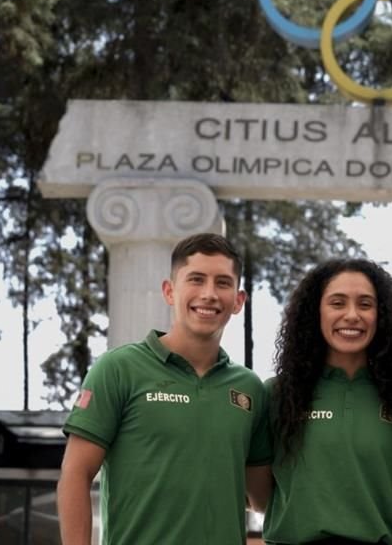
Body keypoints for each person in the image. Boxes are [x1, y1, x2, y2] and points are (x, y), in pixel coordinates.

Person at [56, 232, 272, 545]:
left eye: (223, 283)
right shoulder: (118, 369)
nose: (209, 294)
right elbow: (75, 474)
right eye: (196, 279)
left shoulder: (250, 388)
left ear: (238, 301)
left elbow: (262, 497)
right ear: (169, 291)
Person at [252, 258, 392, 545]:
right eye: (337, 303)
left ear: (381, 315)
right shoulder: (276, 395)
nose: (351, 315)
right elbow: (260, 497)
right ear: (316, 312)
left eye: (365, 304)